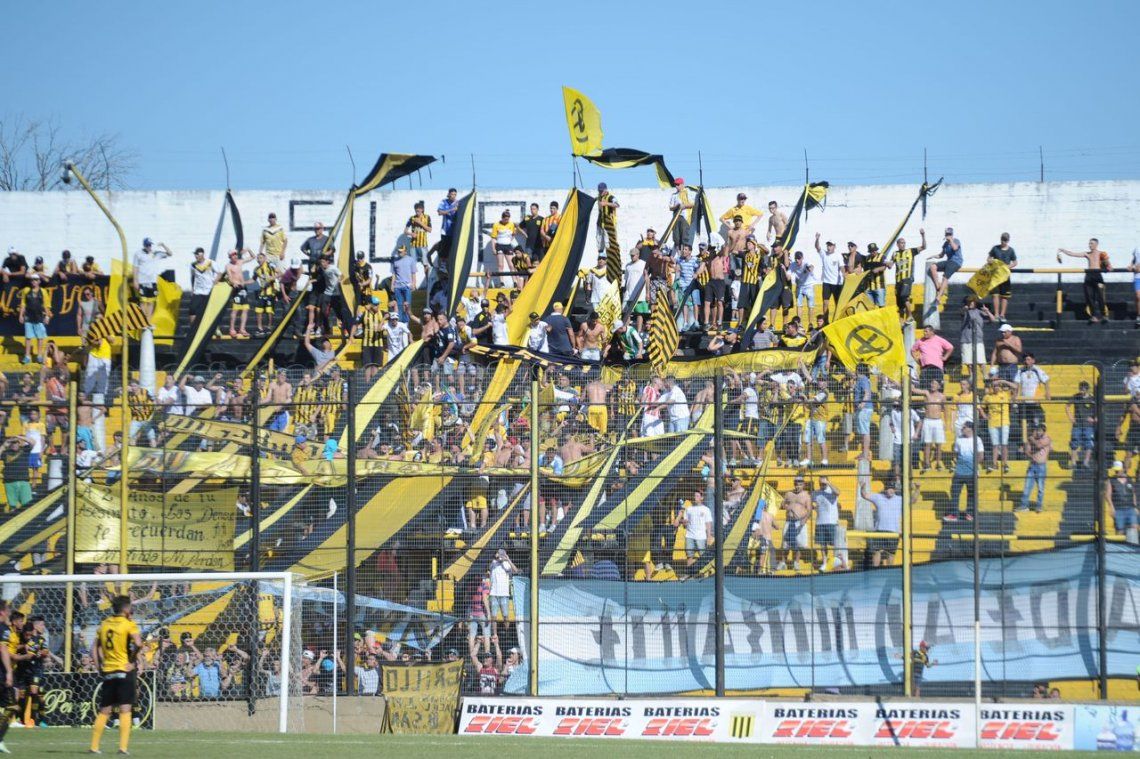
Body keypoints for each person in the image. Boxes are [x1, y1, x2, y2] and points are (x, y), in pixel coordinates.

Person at [91, 595, 146, 755]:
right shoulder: (128, 624)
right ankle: (122, 748)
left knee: (105, 710)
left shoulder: (104, 624)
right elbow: (138, 643)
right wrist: (132, 660)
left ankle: (94, 747)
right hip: (124, 670)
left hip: (108, 670)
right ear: (126, 609)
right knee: (125, 709)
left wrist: (98, 666)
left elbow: (94, 648)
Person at [1058, 238, 1112, 323]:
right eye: (1089, 244)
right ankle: (1093, 316)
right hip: (1089, 275)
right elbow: (1073, 254)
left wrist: (1108, 266)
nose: (1090, 245)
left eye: (1092, 244)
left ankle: (1104, 315)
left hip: (1097, 275)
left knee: (1100, 297)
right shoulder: (1087, 254)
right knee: (1089, 297)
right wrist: (1063, 250)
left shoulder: (1101, 253)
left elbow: (1108, 264)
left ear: (1096, 244)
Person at [945, 422, 984, 522]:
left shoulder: (977, 440)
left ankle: (970, 514)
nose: (962, 429)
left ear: (970, 429)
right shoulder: (959, 439)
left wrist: (972, 465)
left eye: (964, 427)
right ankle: (954, 514)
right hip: (959, 472)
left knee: (971, 494)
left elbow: (981, 456)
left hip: (972, 472)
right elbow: (957, 454)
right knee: (954, 493)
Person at [861, 479, 902, 567]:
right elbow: (864, 495)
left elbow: (913, 500)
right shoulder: (878, 497)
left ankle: (889, 571)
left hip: (893, 531)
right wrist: (862, 487)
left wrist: (917, 489)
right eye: (889, 488)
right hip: (879, 529)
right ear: (885, 489)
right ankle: (875, 570)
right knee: (876, 551)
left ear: (895, 490)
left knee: (891, 553)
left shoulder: (900, 500)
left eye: (892, 488)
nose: (890, 490)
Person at [776, 476, 812, 571]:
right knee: (785, 544)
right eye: (796, 484)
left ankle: (796, 562)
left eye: (800, 484)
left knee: (798, 544)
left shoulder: (806, 496)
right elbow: (782, 504)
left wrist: (804, 520)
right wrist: (786, 506)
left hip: (799, 522)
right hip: (789, 521)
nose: (797, 486)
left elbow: (809, 510)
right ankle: (783, 562)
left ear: (803, 485)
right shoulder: (789, 494)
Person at [889, 229, 926, 320]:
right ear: (897, 244)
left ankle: (910, 316)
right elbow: (890, 265)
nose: (903, 244)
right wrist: (884, 262)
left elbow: (924, 247)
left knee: (904, 296)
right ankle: (901, 322)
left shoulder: (910, 251)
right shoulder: (895, 254)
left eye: (904, 243)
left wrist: (923, 235)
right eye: (901, 243)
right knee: (900, 304)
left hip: (907, 278)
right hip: (898, 281)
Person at [132, 238, 172, 320]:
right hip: (142, 281)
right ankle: (143, 320)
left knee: (151, 301)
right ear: (144, 245)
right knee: (143, 301)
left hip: (152, 281)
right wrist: (135, 280)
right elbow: (135, 267)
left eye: (150, 245)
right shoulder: (138, 254)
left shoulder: (156, 253)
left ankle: (148, 320)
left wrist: (163, 245)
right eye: (147, 245)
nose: (149, 247)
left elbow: (170, 254)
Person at [673, 490, 713, 569]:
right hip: (690, 536)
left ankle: (703, 572)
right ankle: (689, 573)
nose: (695, 498)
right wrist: (681, 519)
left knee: (702, 556)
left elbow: (708, 523)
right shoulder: (689, 509)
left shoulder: (706, 509)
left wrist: (708, 536)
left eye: (697, 496)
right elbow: (685, 522)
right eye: (694, 496)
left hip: (701, 536)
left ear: (702, 498)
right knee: (689, 556)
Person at [1019, 423, 1053, 513]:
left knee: (1041, 488)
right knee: (1027, 487)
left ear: (1044, 431)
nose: (1038, 432)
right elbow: (1026, 451)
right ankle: (1024, 506)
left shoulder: (1047, 439)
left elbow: (1039, 445)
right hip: (1032, 465)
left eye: (1040, 431)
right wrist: (1028, 444)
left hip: (1041, 467)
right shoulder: (1033, 439)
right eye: (1037, 430)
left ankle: (1038, 506)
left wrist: (1031, 438)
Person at [17, 273, 50, 364]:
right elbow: (23, 303)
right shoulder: (26, 290)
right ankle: (27, 356)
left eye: (36, 280)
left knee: (40, 337)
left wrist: (47, 316)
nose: (34, 281)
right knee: (28, 337)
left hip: (39, 317)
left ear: (39, 281)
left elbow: (46, 305)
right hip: (28, 317)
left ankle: (39, 356)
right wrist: (21, 315)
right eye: (32, 280)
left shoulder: (43, 291)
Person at [927, 227, 963, 305]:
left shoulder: (956, 241)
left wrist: (951, 240)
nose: (948, 236)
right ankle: (938, 287)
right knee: (933, 267)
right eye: (947, 234)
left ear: (952, 235)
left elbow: (955, 248)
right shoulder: (945, 244)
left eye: (949, 234)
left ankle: (938, 299)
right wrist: (932, 256)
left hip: (956, 261)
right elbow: (941, 255)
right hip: (949, 261)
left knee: (945, 277)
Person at [911, 325, 954, 390]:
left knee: (937, 386)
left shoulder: (939, 339)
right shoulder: (920, 341)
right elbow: (913, 350)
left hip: (936, 367)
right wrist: (916, 360)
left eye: (926, 331)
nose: (924, 333)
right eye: (924, 331)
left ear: (932, 332)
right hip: (925, 367)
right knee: (924, 386)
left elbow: (950, 347)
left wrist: (945, 357)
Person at [812, 476, 841, 571]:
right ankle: (825, 562)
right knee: (822, 544)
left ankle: (835, 562)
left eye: (824, 483)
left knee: (835, 544)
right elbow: (812, 503)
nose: (822, 485)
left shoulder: (831, 491)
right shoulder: (815, 493)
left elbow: (838, 492)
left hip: (831, 522)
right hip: (820, 522)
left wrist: (828, 483)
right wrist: (815, 508)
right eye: (820, 483)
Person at [1066, 380, 1097, 470]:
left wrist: (1094, 419)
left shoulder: (1092, 399)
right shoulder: (1076, 397)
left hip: (1088, 426)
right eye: (1081, 389)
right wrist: (1071, 418)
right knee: (1074, 442)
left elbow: (1099, 410)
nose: (1082, 391)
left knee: (1089, 443)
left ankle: (1086, 462)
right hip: (1077, 425)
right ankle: (1073, 462)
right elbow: (1067, 406)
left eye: (1084, 390)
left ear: (1087, 390)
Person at [987, 232, 1018, 319]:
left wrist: (1007, 266)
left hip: (1005, 276)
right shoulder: (995, 248)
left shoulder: (1011, 250)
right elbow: (989, 258)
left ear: (1008, 240)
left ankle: (1002, 314)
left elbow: (1015, 262)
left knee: (1004, 296)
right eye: (1002, 239)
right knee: (995, 295)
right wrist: (992, 262)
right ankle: (996, 314)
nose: (1003, 242)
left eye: (1005, 240)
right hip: (995, 275)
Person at [815, 233, 845, 319]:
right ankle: (825, 320)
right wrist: (817, 239)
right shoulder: (824, 254)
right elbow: (817, 247)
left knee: (838, 303)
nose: (828, 247)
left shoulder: (838, 255)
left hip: (837, 283)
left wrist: (844, 275)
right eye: (828, 245)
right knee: (825, 303)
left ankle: (838, 319)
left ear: (834, 246)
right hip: (826, 282)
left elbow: (842, 267)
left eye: (830, 245)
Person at [487, 549, 517, 636]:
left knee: (505, 616)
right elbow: (489, 563)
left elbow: (515, 570)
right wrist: (496, 558)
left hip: (504, 594)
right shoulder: (493, 563)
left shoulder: (506, 564)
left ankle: (507, 633)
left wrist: (508, 560)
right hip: (494, 593)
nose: (500, 556)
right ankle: (495, 634)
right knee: (494, 616)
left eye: (502, 555)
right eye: (499, 554)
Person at [1106, 462, 1137, 543]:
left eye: (1118, 470)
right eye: (1115, 470)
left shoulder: (1129, 479)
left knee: (1134, 527)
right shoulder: (1111, 480)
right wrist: (1111, 507)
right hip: (1118, 509)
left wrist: (1135, 506)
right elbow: (1108, 495)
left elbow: (1133, 493)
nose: (1116, 472)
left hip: (1130, 508)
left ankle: (1132, 548)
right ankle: (1119, 549)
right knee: (1120, 530)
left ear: (1122, 469)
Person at [391, 245, 416, 323]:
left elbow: (413, 273)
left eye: (401, 251)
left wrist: (414, 283)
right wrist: (392, 285)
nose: (399, 253)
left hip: (407, 286)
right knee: (399, 306)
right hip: (397, 286)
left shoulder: (411, 260)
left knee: (407, 306)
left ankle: (406, 324)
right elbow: (394, 274)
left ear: (405, 251)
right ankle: (400, 323)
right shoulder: (395, 261)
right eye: (399, 251)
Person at [404, 200, 432, 270]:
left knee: (425, 264)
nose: (417, 212)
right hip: (413, 245)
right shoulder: (412, 218)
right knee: (413, 265)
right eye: (416, 211)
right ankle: (414, 281)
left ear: (422, 210)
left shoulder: (427, 217)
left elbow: (430, 230)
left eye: (418, 211)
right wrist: (411, 234)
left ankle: (427, 280)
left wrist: (420, 223)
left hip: (423, 244)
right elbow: (405, 231)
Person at [668, 177, 694, 250]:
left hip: (685, 217)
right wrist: (677, 206)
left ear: (682, 184)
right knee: (676, 237)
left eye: (678, 184)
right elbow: (670, 207)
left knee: (684, 236)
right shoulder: (674, 195)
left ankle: (684, 252)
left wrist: (684, 205)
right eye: (675, 184)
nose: (676, 186)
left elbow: (692, 204)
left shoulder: (687, 192)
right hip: (676, 217)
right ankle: (678, 252)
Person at [596, 182, 619, 255]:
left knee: (608, 242)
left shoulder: (611, 197)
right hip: (600, 223)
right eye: (599, 191)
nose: (600, 192)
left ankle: (609, 258)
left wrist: (606, 203)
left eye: (601, 191)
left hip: (608, 224)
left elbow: (617, 205)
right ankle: (601, 258)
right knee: (599, 242)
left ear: (605, 190)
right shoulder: (599, 197)